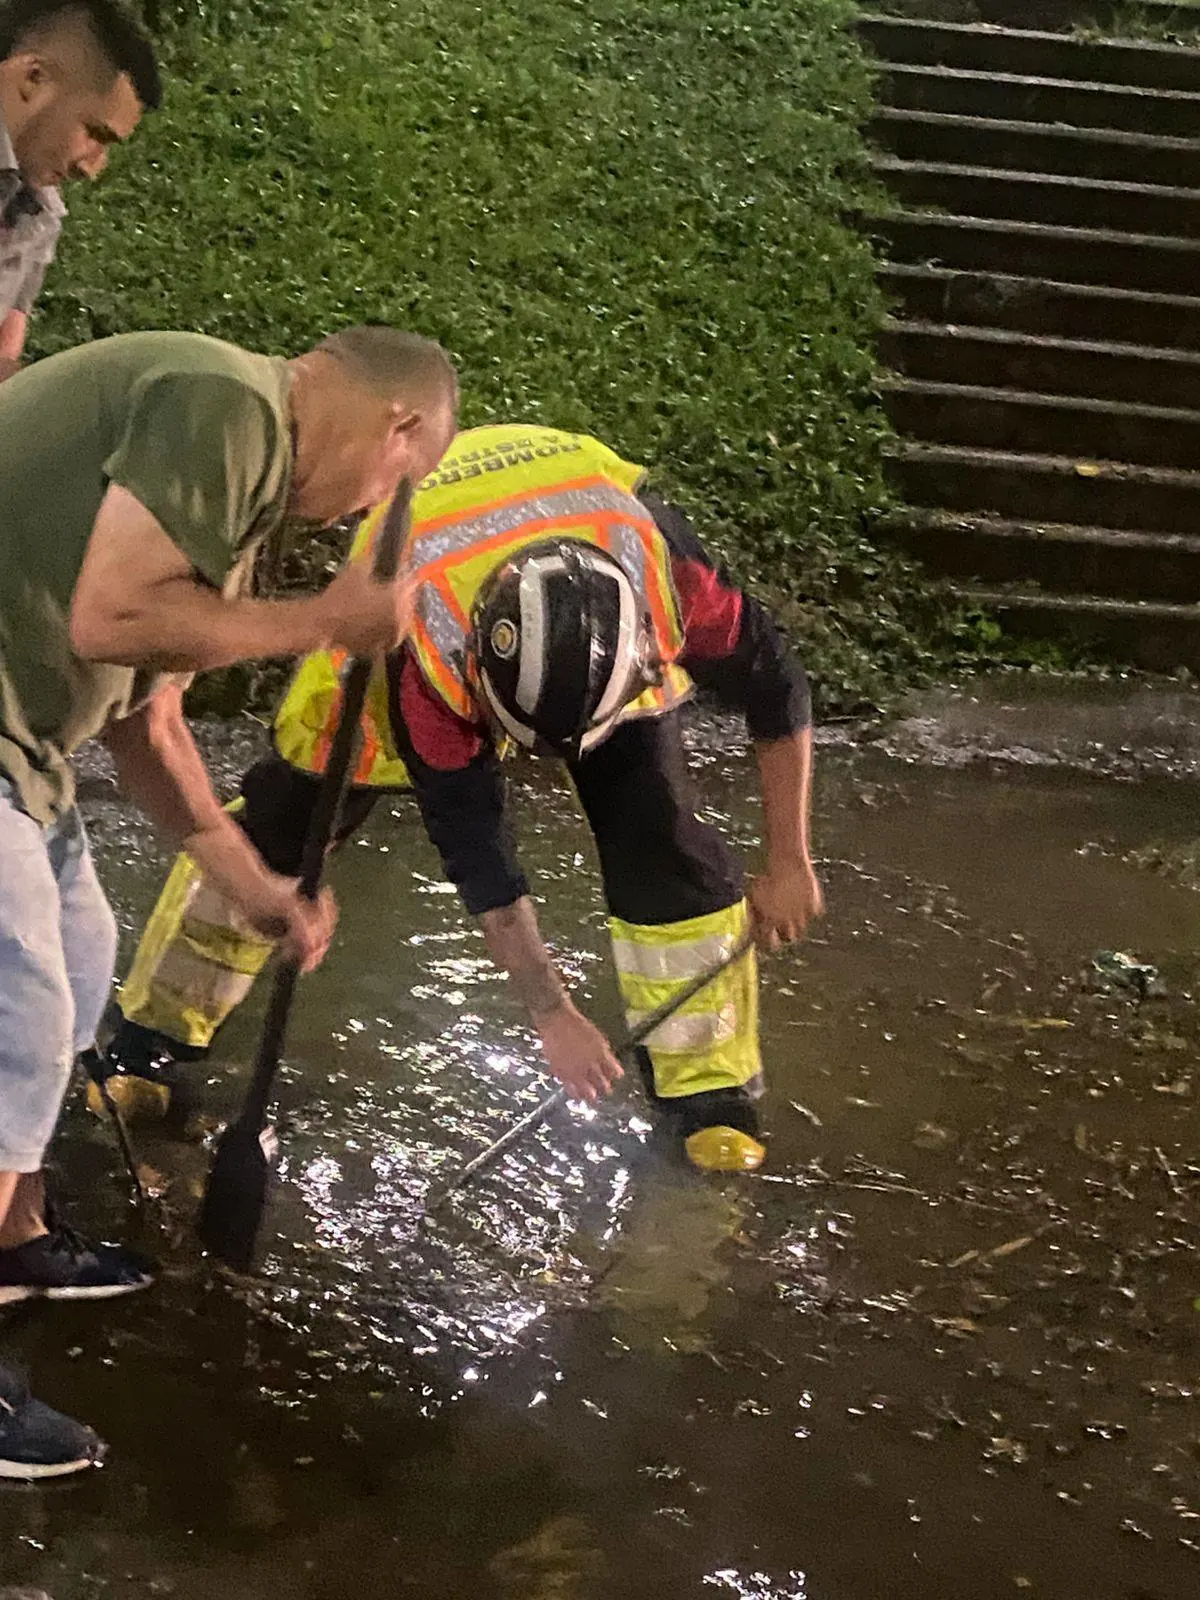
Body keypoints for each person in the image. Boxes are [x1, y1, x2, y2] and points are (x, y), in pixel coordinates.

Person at [101, 422, 823, 1179]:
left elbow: (779, 692)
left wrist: (790, 862)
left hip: (580, 548)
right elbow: (478, 849)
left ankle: (707, 1094)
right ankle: (151, 1040)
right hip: (425, 571)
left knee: (658, 832)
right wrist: (551, 1014)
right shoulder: (425, 651)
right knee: (293, 824)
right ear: (477, 667)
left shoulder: (672, 582)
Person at [0, 323, 457, 1477]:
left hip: (27, 755)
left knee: (85, 953)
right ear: (396, 430)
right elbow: (112, 618)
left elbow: (149, 724)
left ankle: (16, 1238)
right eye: (404, 479)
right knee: (21, 1020)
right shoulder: (226, 404)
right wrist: (324, 623)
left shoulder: (236, 501)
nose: (374, 512)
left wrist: (258, 888)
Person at [0, 0, 160, 380]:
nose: (92, 167)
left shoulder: (38, 210)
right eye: (93, 132)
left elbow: (8, 340)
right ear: (33, 78)